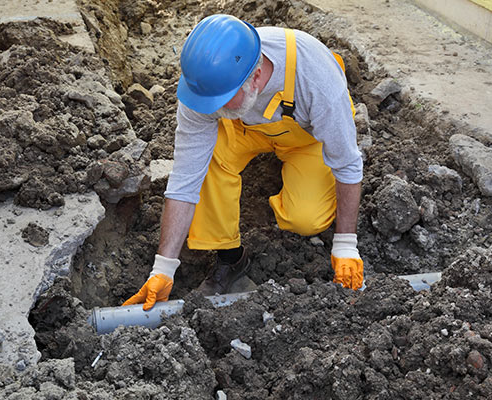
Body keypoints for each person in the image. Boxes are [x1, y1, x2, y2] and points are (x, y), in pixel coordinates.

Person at [123, 14, 364, 310]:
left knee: (306, 219)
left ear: (257, 75)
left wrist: (346, 245)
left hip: (306, 138)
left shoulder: (316, 80)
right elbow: (186, 178)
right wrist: (163, 268)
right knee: (209, 160)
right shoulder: (207, 90)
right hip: (242, 127)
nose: (212, 108)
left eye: (223, 99)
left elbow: (348, 164)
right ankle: (230, 256)